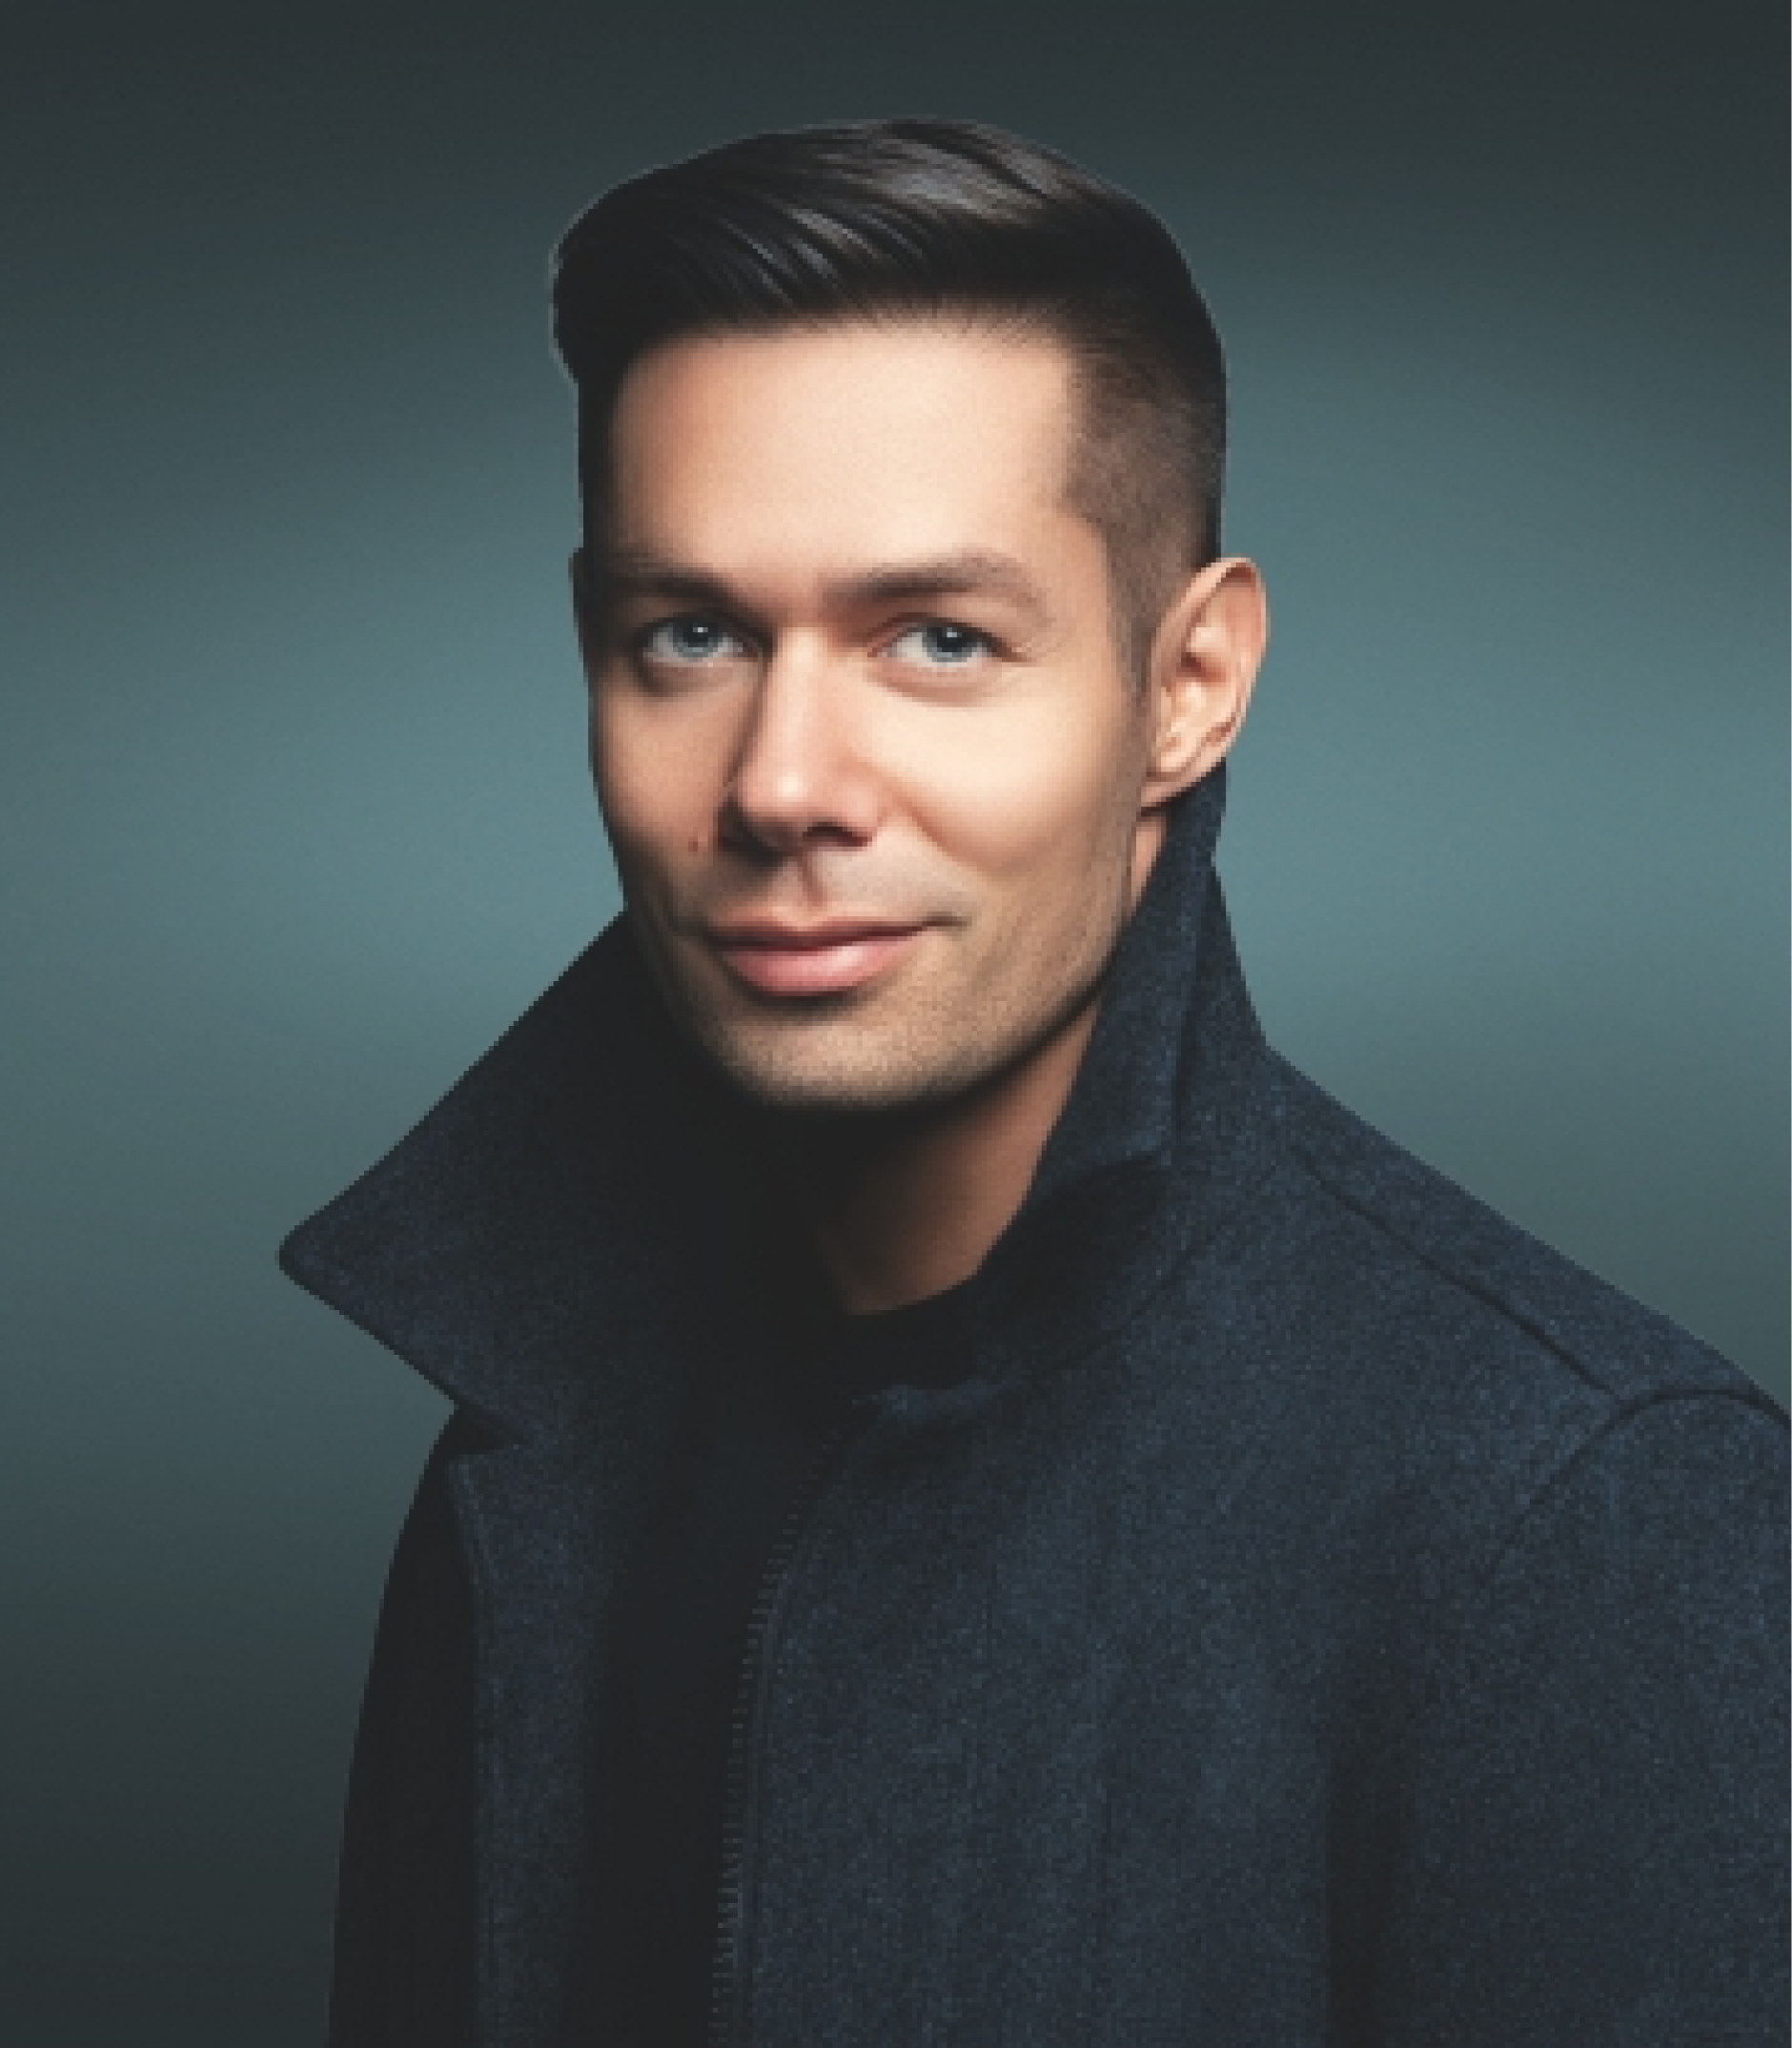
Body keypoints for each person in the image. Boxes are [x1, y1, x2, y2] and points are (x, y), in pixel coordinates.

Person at [280, 118, 1792, 2048]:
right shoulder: (536, 1422)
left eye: (939, 639)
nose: (782, 783)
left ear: (1189, 685)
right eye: (693, 635)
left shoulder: (1578, 1516)